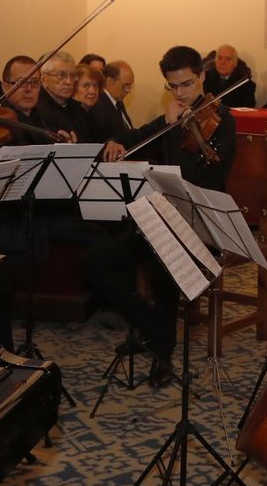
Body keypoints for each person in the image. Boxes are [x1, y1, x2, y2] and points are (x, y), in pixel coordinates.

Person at [85, 46, 237, 384]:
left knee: (162, 262)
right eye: (173, 86)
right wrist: (114, 141)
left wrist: (179, 127)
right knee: (94, 262)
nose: (180, 93)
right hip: (160, 222)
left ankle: (162, 351)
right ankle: (154, 328)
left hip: (201, 226)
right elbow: (135, 138)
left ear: (202, 77)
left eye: (186, 84)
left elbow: (200, 182)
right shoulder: (172, 116)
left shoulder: (223, 122)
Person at [32, 54, 89, 142]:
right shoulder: (37, 108)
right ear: (43, 79)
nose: (69, 81)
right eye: (61, 75)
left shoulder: (77, 107)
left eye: (73, 76)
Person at [100, 60, 136, 135]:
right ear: (109, 81)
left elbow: (128, 132)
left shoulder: (118, 103)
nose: (128, 90)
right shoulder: (100, 105)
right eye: (125, 86)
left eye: (130, 86)